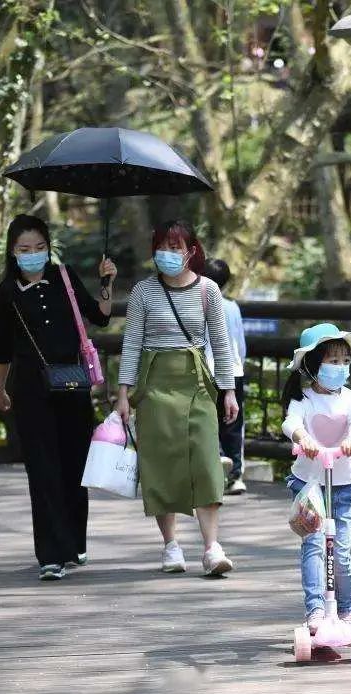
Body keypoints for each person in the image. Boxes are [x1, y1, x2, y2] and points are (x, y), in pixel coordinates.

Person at [0, 214, 117, 580]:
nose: (33, 254)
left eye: (40, 247)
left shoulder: (64, 276)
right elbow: (3, 350)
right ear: (13, 252)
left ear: (49, 247)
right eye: (25, 249)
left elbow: (100, 317)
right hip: (30, 390)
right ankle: (51, 554)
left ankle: (74, 542)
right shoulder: (5, 293)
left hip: (72, 385)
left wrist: (107, 282)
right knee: (42, 469)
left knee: (75, 465)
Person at [116, 220, 238, 577]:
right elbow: (131, 344)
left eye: (175, 247)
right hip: (153, 386)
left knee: (206, 462)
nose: (167, 254)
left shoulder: (208, 290)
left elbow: (221, 343)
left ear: (191, 251)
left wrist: (228, 390)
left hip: (197, 383)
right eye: (161, 247)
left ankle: (212, 547)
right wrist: (123, 394)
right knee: (160, 465)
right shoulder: (142, 292)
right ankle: (171, 545)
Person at [280, 323, 351, 633]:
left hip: (343, 487)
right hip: (309, 486)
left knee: (340, 551)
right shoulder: (302, 400)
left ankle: (346, 610)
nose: (340, 367)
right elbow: (290, 423)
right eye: (333, 360)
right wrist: (302, 437)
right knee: (315, 546)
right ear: (312, 365)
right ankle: (316, 610)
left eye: (345, 361)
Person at [201, 258, 247, 495]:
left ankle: (216, 461)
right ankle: (235, 476)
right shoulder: (232, 306)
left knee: (206, 419)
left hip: (206, 370)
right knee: (232, 422)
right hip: (233, 370)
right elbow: (240, 342)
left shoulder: (197, 304)